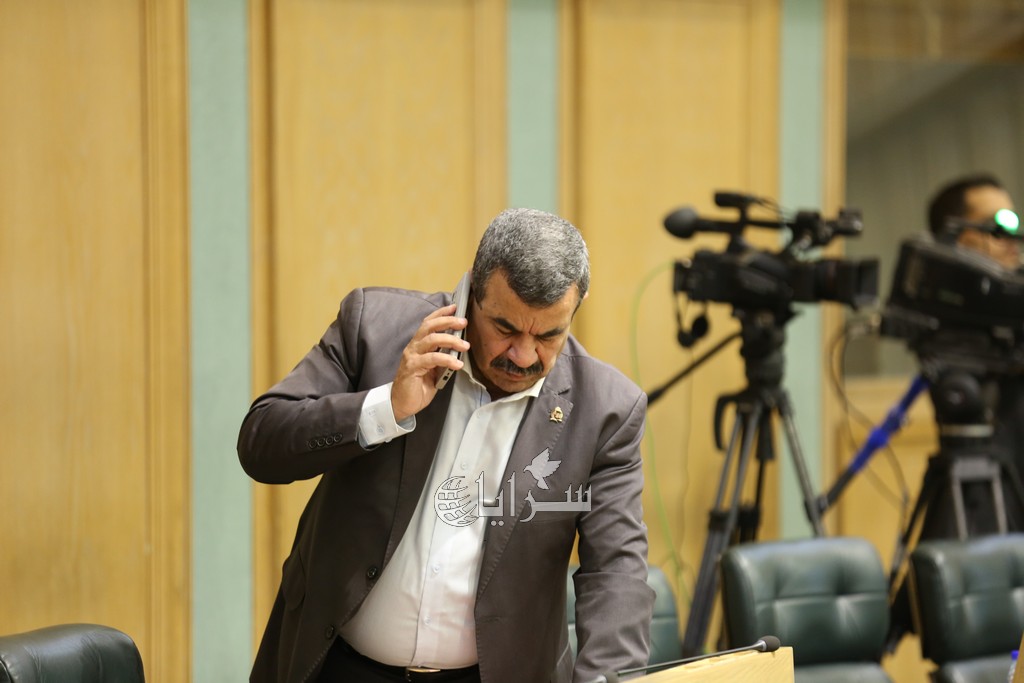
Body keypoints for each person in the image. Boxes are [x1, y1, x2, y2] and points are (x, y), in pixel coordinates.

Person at [238, 208, 655, 683]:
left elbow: (616, 572)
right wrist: (387, 407)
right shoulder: (375, 329)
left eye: (548, 335)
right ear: (472, 290)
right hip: (339, 665)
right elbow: (261, 443)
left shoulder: (605, 410)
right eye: (505, 329)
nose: (523, 356)